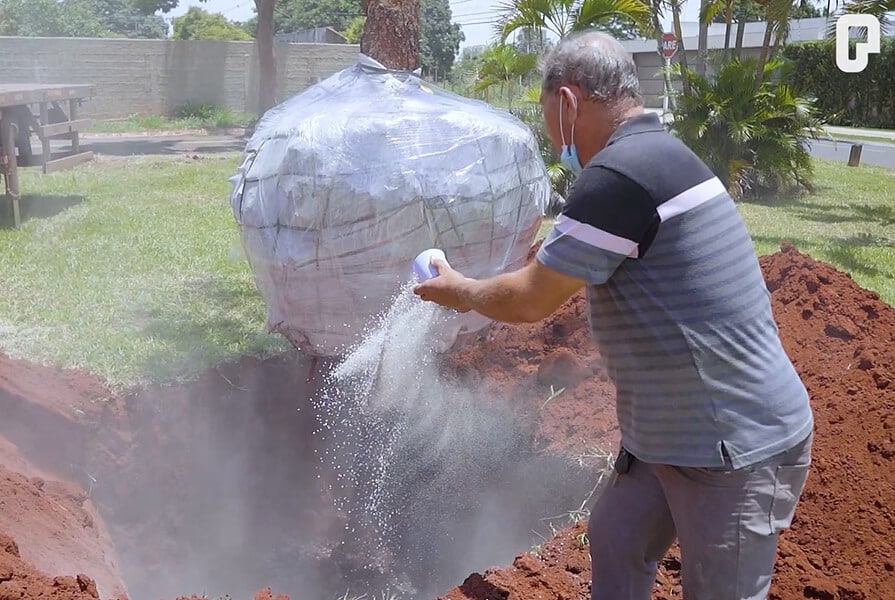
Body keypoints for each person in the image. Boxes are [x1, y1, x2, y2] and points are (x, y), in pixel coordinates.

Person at [413, 30, 814, 600]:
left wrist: (463, 290)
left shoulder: (618, 178)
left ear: (569, 102)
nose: (551, 133)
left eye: (547, 113)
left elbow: (530, 298)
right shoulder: (657, 154)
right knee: (617, 537)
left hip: (733, 444)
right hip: (670, 435)